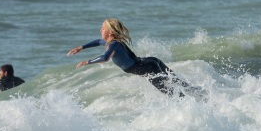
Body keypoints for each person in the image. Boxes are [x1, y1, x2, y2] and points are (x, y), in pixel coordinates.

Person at [67, 18, 196, 97]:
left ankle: (192, 101)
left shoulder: (114, 44)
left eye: (102, 28)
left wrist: (87, 62)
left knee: (169, 90)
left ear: (110, 32)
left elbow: (105, 58)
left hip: (148, 66)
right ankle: (196, 93)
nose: (100, 30)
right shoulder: (109, 42)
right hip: (148, 63)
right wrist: (81, 47)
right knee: (174, 82)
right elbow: (97, 41)